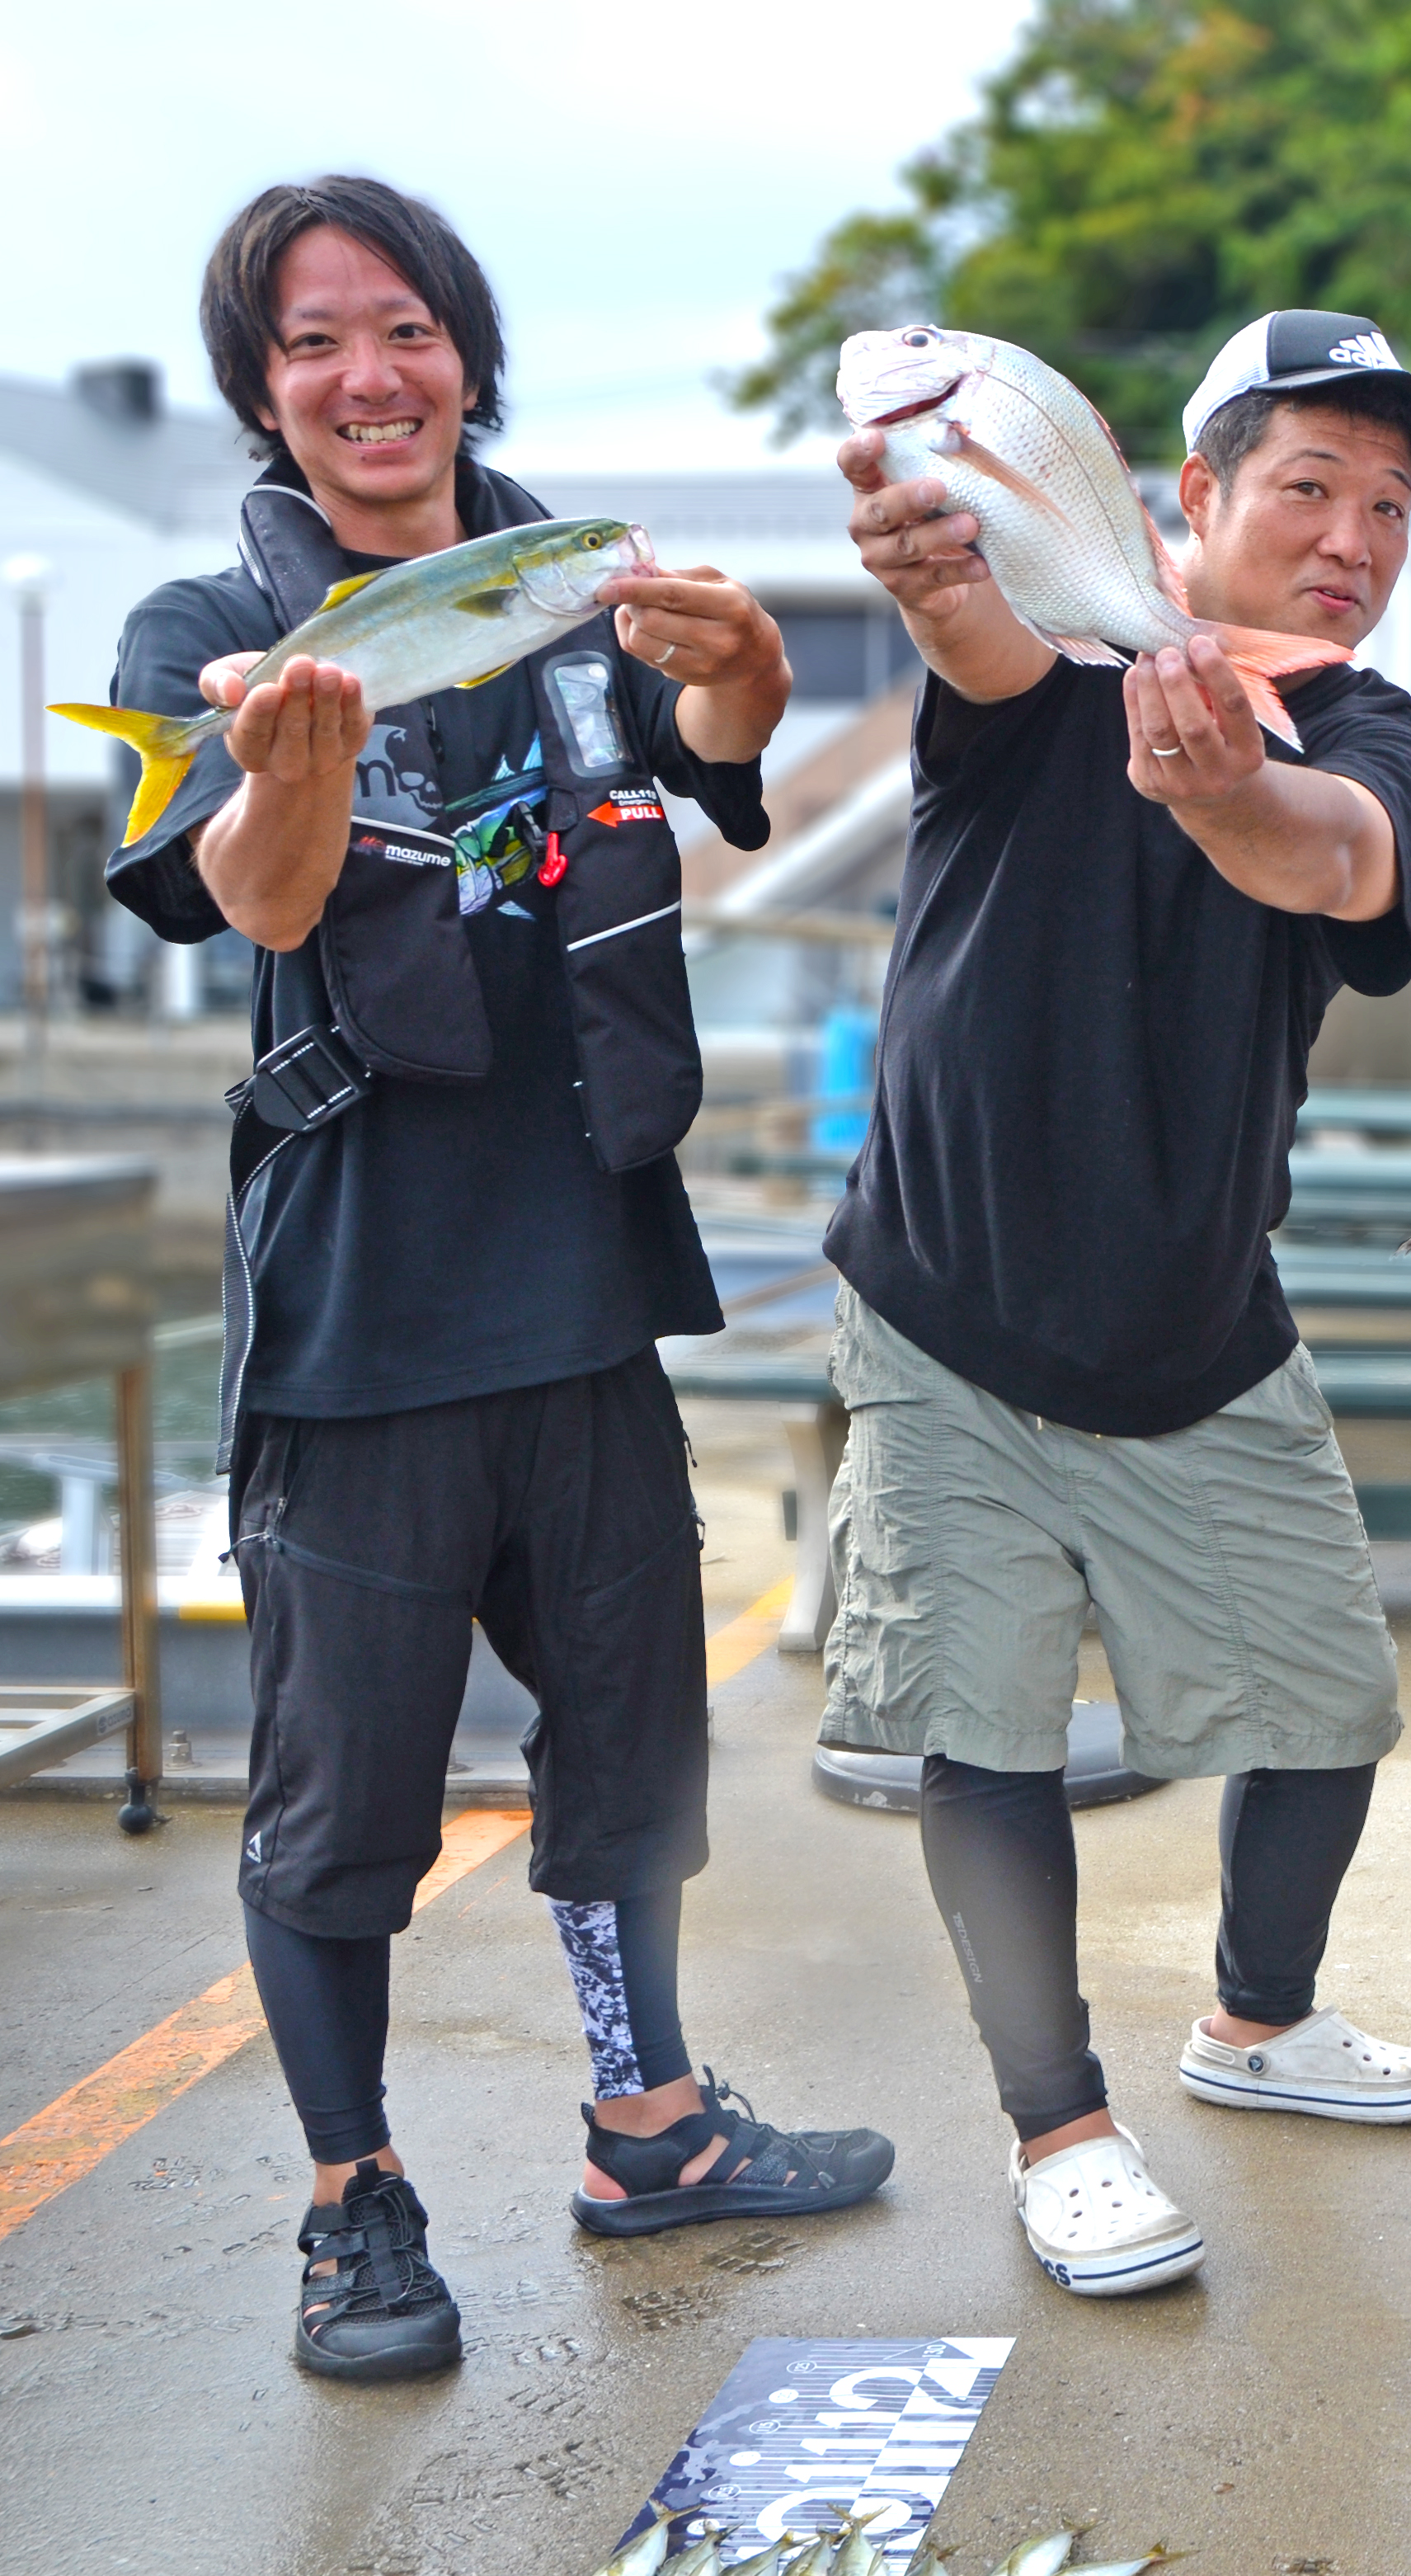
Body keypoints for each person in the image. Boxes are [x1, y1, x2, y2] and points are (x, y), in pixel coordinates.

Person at [92, 177, 892, 2383]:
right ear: (267, 388)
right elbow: (249, 903)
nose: (371, 376)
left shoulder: (575, 591)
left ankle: (648, 2125)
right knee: (341, 1805)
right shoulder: (201, 628)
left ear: (468, 351)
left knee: (631, 1756)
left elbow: (712, 770)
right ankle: (352, 2197)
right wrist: (291, 777)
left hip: (586, 1289)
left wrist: (733, 677)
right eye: (317, 342)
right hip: (362, 1318)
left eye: (408, 328)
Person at [824, 308, 1411, 2299]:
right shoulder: (1054, 653)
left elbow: (1337, 861)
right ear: (1189, 500)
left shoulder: (1370, 733)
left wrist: (1221, 796)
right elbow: (982, 651)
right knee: (981, 1725)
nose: (1353, 532)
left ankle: (1259, 2023)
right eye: (1306, 486)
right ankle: (1063, 2126)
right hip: (950, 1302)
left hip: (1202, 1324)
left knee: (1331, 1699)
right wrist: (944, 579)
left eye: (1389, 503)